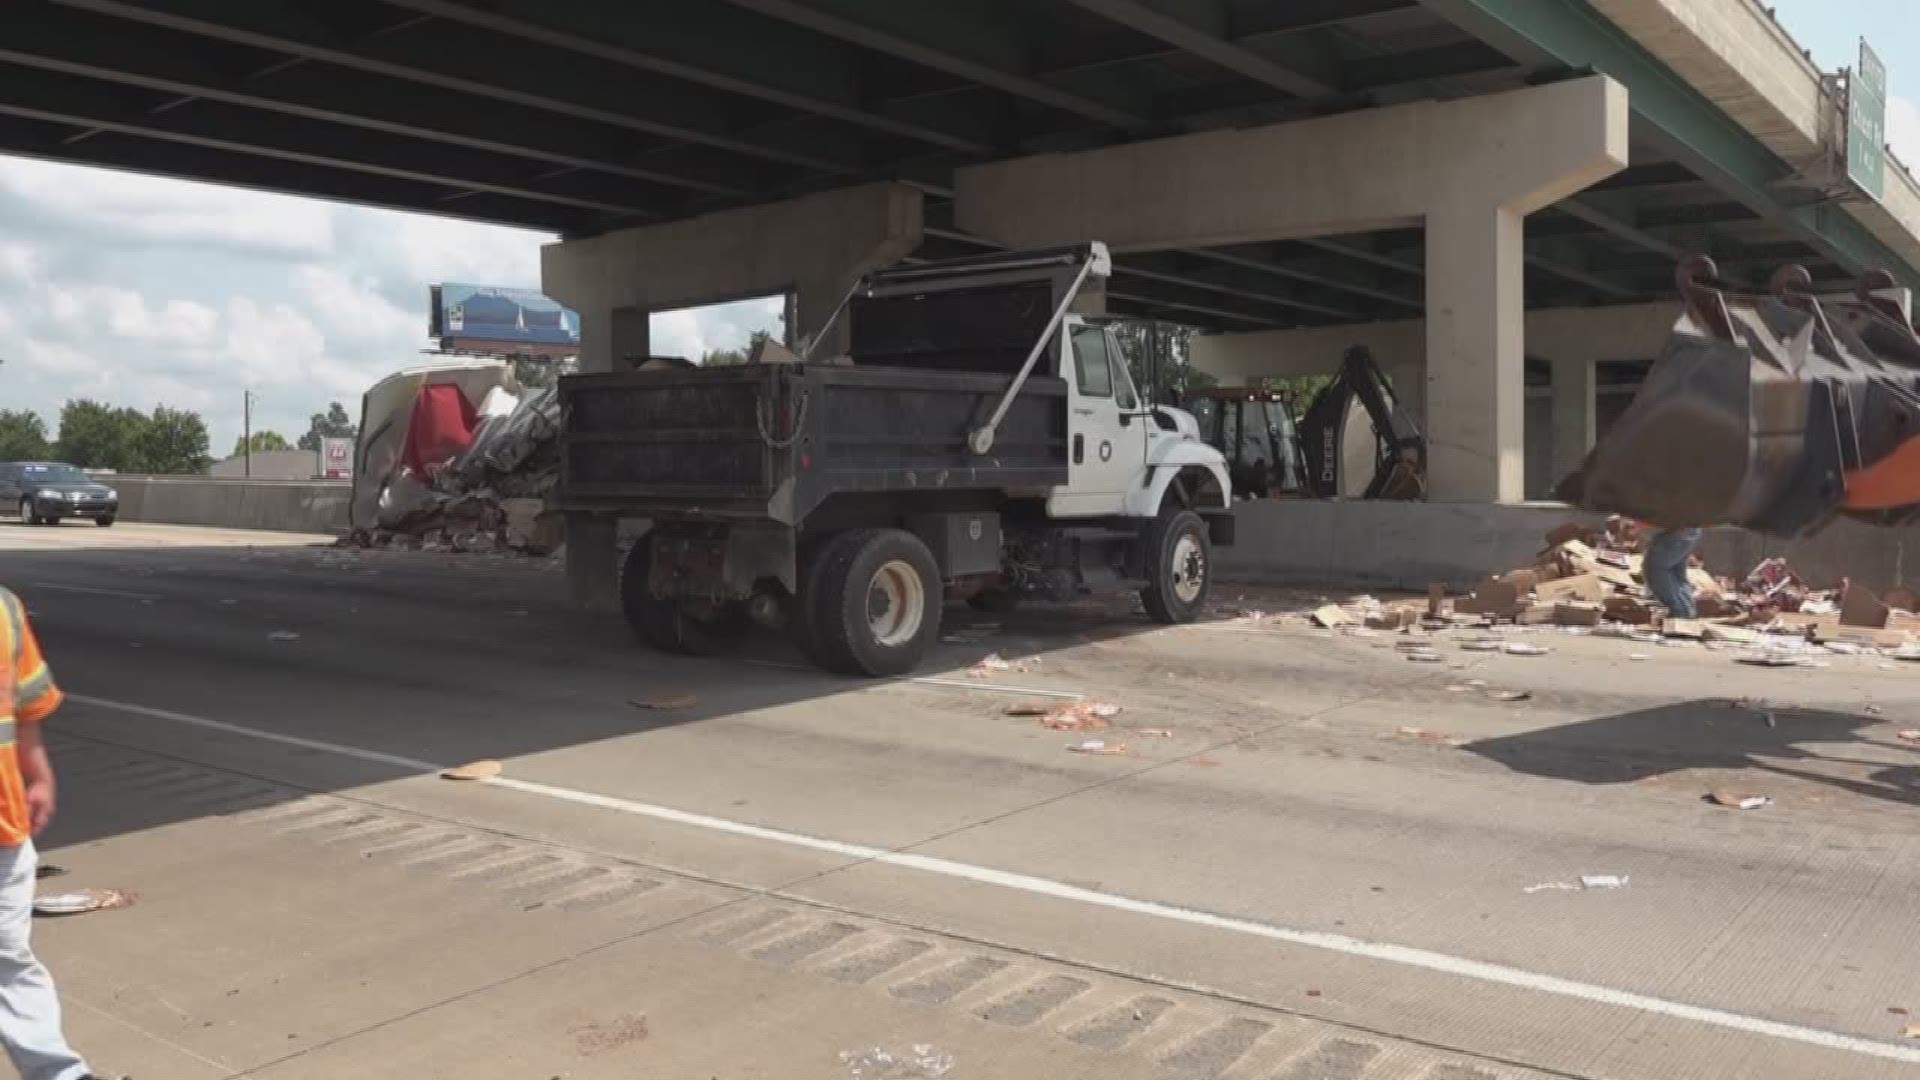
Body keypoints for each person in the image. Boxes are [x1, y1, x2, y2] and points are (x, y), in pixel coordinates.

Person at [0, 589, 100, 1080]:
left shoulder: (3, 609)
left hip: (2, 826)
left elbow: (23, 705)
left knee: (7, 960)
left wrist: (36, 773)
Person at [1643, 527, 1703, 619]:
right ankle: (1687, 613)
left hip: (1678, 530)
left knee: (1656, 568)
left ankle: (1680, 614)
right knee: (1676, 574)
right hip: (1687, 530)